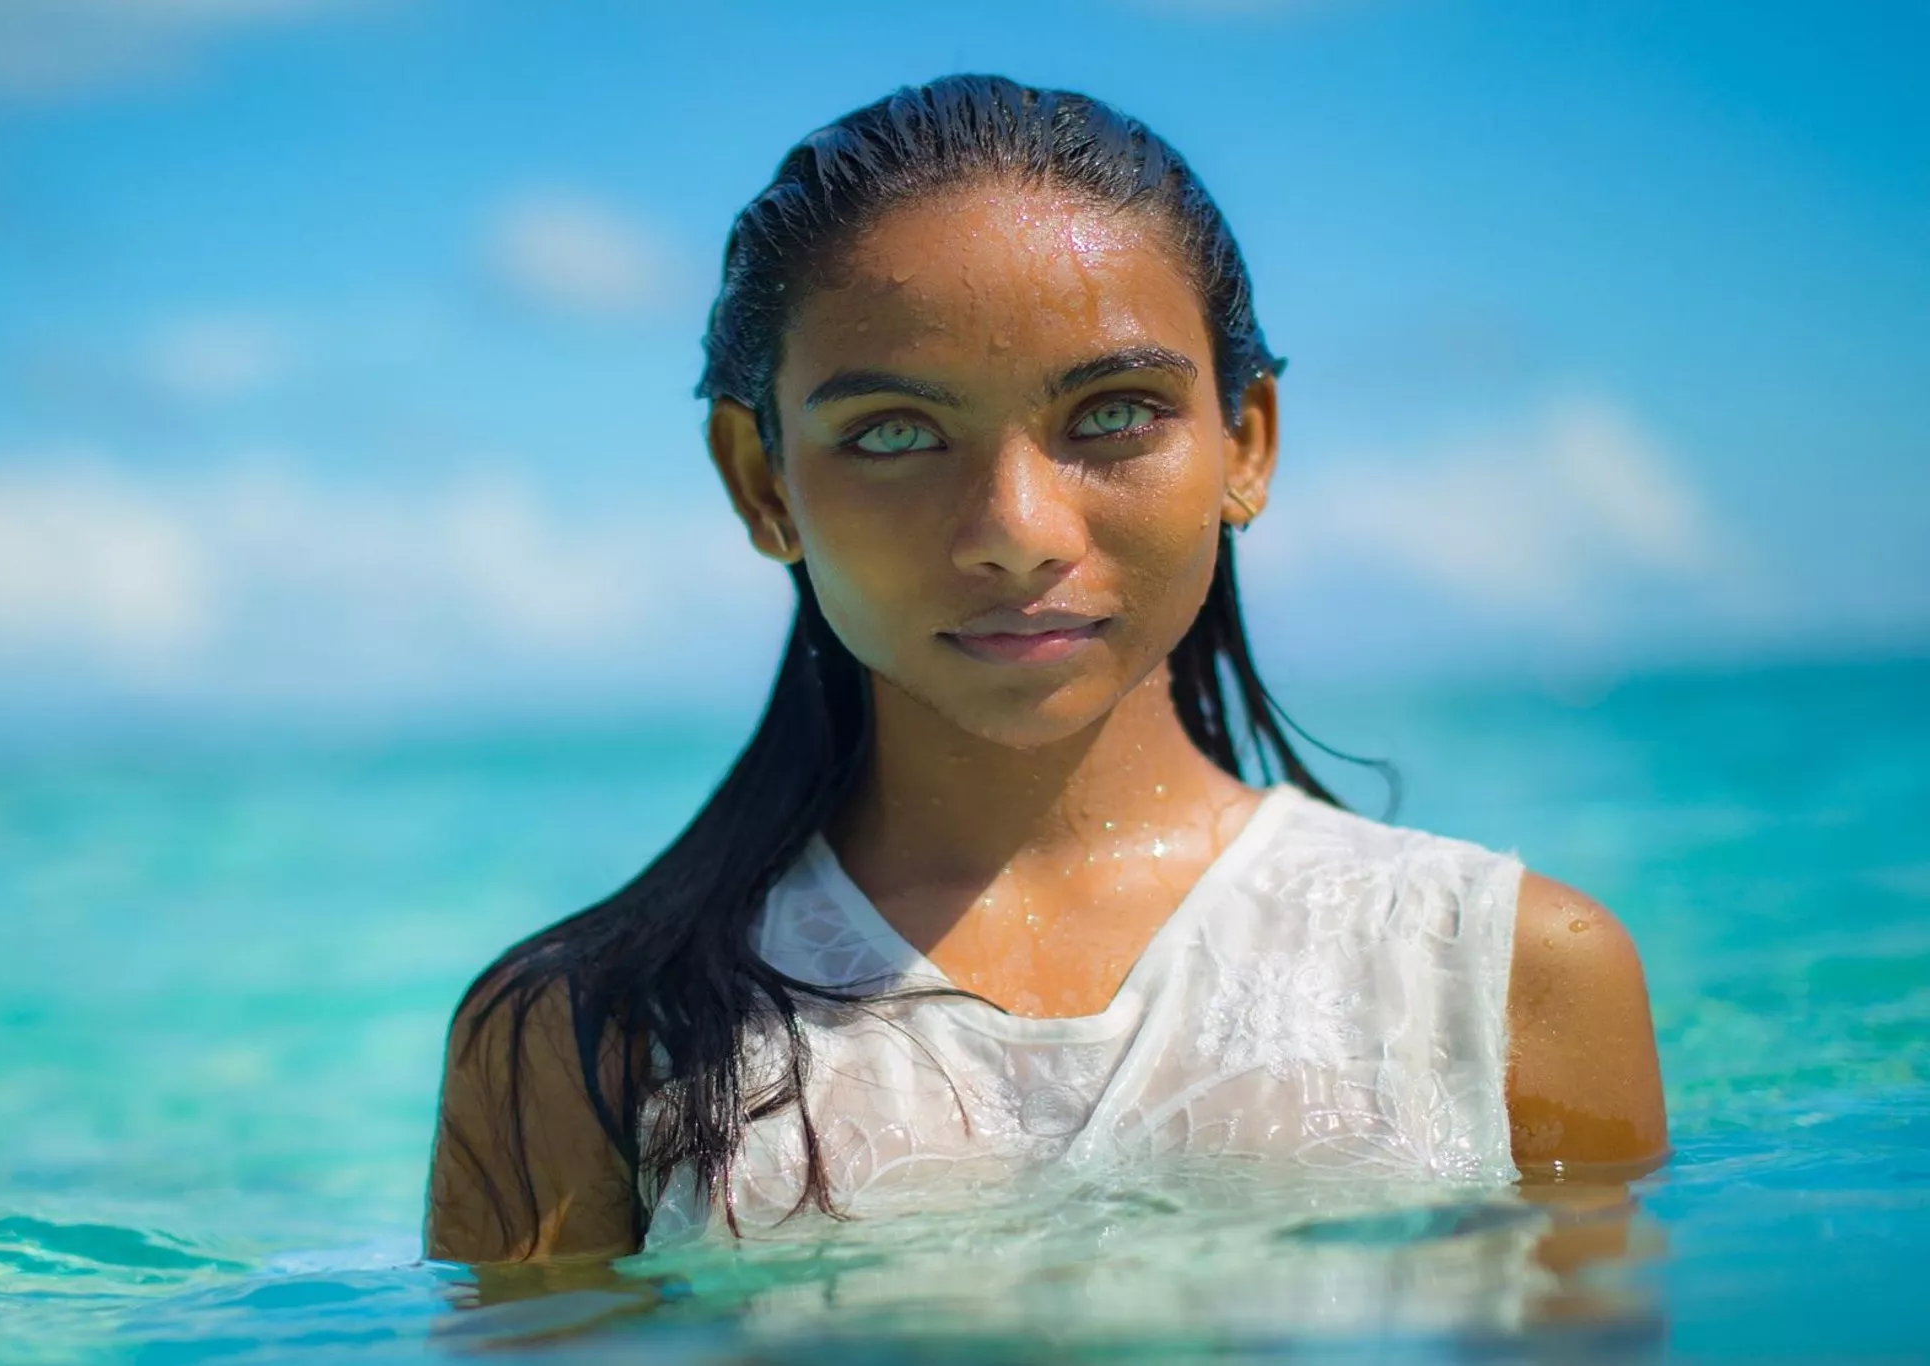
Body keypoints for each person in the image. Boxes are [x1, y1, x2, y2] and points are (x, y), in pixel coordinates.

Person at [423, 74, 1668, 1266]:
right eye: (894, 432)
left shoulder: (1509, 977)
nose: (1017, 528)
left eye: (1114, 412)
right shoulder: (578, 1039)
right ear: (761, 481)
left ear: (1244, 441)